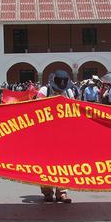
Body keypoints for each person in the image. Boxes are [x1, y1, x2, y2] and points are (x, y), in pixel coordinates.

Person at [36, 70, 74, 203]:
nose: (59, 92)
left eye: (61, 90)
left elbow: (74, 110)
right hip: (45, 134)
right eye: (57, 89)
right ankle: (47, 192)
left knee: (64, 163)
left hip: (63, 134)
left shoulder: (69, 93)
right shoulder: (43, 92)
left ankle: (62, 192)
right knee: (46, 164)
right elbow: (35, 110)